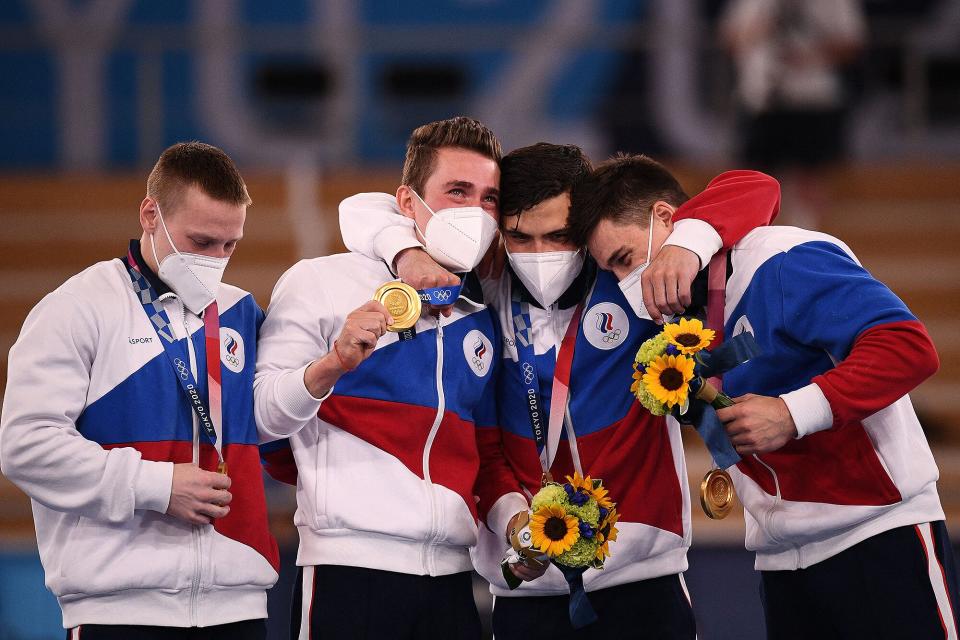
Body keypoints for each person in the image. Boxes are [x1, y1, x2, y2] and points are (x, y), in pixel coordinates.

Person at [338, 142, 781, 638]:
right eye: (520, 237)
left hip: (644, 577)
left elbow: (756, 187)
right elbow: (359, 208)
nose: (540, 254)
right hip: (527, 588)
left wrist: (685, 245)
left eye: (559, 235)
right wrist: (514, 523)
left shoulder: (630, 278)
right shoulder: (481, 290)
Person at [568, 153, 956, 639]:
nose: (628, 283)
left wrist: (792, 413)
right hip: (780, 560)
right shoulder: (674, 315)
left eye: (625, 258)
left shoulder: (782, 258)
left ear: (667, 218)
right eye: (612, 269)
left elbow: (909, 348)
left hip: (876, 536)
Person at [0, 142, 278, 638]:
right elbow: (26, 446)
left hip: (239, 608)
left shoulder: (240, 313)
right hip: (120, 611)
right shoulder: (77, 308)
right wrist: (156, 486)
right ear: (151, 214)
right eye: (200, 241)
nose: (216, 260)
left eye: (229, 245)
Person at [254, 116, 503, 640]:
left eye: (488, 198)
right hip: (349, 571)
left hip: (452, 580)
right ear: (408, 203)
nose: (475, 213)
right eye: (457, 191)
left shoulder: (482, 307)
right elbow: (258, 417)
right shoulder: (319, 281)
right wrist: (332, 365)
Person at [720, 0, 866, 229]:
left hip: (812, 99)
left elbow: (851, 43)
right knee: (753, 179)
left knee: (810, 179)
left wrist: (811, 52)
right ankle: (754, 241)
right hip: (762, 98)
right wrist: (761, 29)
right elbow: (732, 38)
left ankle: (807, 242)